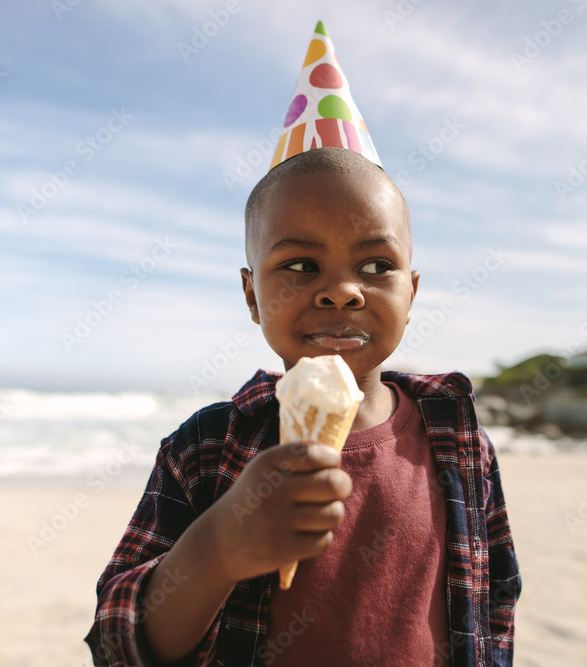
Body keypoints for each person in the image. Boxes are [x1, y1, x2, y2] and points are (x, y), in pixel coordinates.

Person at [85, 21, 520, 667]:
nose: (343, 291)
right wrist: (220, 546)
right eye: (299, 264)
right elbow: (120, 642)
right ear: (251, 294)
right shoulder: (204, 447)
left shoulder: (459, 440)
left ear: (413, 290)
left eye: (376, 266)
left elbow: (495, 600)